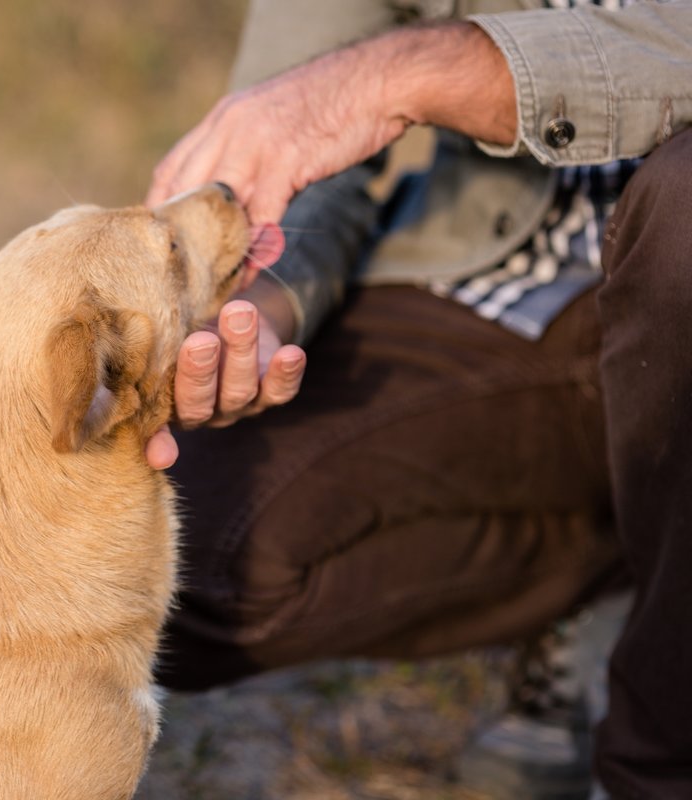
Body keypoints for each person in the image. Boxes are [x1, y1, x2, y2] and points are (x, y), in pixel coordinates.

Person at [142, 1, 692, 798]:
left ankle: (661, 762)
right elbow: (295, 126)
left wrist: (406, 72)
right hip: (510, 286)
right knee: (172, 555)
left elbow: (352, 86)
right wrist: (259, 312)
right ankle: (625, 587)